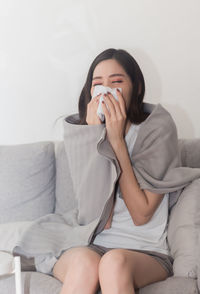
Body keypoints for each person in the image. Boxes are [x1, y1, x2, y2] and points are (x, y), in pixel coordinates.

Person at [52, 48, 174, 294]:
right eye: (98, 84)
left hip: (144, 250)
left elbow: (141, 214)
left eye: (116, 82)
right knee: (85, 265)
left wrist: (117, 141)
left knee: (113, 263)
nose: (106, 91)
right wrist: (93, 138)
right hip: (91, 242)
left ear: (137, 87)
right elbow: (97, 217)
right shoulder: (83, 131)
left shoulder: (157, 128)